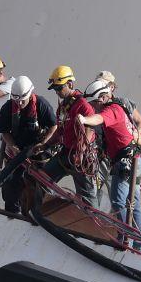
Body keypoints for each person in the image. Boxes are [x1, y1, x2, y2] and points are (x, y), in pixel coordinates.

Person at [76, 79, 141, 251]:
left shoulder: (111, 110)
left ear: (102, 99)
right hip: (134, 160)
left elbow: (98, 118)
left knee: (118, 201)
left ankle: (125, 239)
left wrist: (84, 119)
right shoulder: (119, 108)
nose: (93, 106)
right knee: (135, 203)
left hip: (125, 162)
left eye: (94, 103)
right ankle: (138, 246)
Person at [0, 75, 57, 214]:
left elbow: (54, 126)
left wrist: (43, 143)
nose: (20, 104)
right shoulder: (8, 107)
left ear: (30, 94)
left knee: (40, 183)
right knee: (11, 182)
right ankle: (12, 212)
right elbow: (4, 131)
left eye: (22, 100)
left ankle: (39, 213)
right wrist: (12, 146)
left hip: (38, 151)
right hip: (18, 150)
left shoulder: (41, 105)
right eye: (17, 100)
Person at [42, 65, 98, 207]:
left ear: (70, 84)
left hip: (82, 157)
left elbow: (90, 129)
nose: (57, 92)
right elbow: (60, 130)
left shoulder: (83, 105)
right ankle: (44, 209)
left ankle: (94, 224)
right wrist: (45, 145)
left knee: (88, 199)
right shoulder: (63, 107)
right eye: (55, 89)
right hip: (66, 153)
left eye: (59, 88)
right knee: (43, 178)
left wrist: (81, 152)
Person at [93, 71, 141, 206]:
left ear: (111, 87)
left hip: (123, 154)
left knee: (118, 197)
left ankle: (117, 222)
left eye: (103, 84)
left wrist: (134, 136)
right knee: (94, 189)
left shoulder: (123, 103)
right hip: (101, 154)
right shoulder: (96, 104)